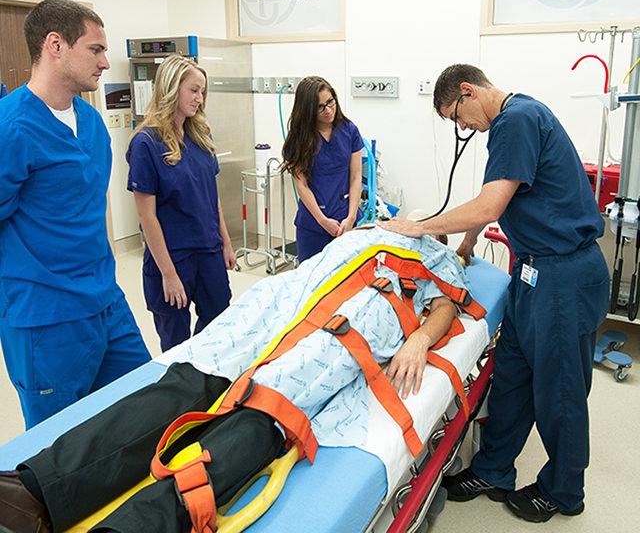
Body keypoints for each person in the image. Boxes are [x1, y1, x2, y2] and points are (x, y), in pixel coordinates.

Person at [0, 227, 470, 533]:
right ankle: (36, 489)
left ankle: (133, 527)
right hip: (273, 314)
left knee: (260, 417)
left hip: (332, 344)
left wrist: (420, 339)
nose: (424, 227)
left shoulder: (437, 265)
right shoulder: (373, 232)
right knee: (186, 386)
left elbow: (449, 300)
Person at [380, 64, 610, 523]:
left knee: (558, 392)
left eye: (458, 117)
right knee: (512, 378)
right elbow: (502, 197)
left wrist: (418, 227)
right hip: (531, 274)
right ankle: (493, 469)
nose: (462, 127)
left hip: (562, 277)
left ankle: (565, 491)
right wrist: (466, 244)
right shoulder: (512, 122)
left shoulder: (517, 120)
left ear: (468, 91)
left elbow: (489, 203)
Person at [0, 0, 151, 429]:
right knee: (59, 446)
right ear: (55, 45)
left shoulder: (90, 120)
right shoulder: (10, 129)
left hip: (105, 300)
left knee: (143, 408)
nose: (106, 62)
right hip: (46, 318)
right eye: (96, 49)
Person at [126, 55, 235, 352]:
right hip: (172, 257)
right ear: (172, 88)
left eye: (202, 92)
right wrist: (169, 274)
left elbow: (212, 199)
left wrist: (225, 242)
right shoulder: (146, 144)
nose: (199, 99)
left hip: (208, 249)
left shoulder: (201, 136)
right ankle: (183, 395)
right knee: (175, 341)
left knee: (219, 322)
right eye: (194, 90)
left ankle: (208, 385)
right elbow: (147, 217)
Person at [282, 76, 364, 262]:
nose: (328, 110)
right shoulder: (299, 140)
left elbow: (356, 176)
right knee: (312, 282)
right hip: (313, 224)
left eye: (330, 102)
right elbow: (301, 185)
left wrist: (351, 217)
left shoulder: (349, 131)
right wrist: (321, 220)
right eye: (320, 107)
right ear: (307, 110)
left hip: (347, 221)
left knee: (347, 280)